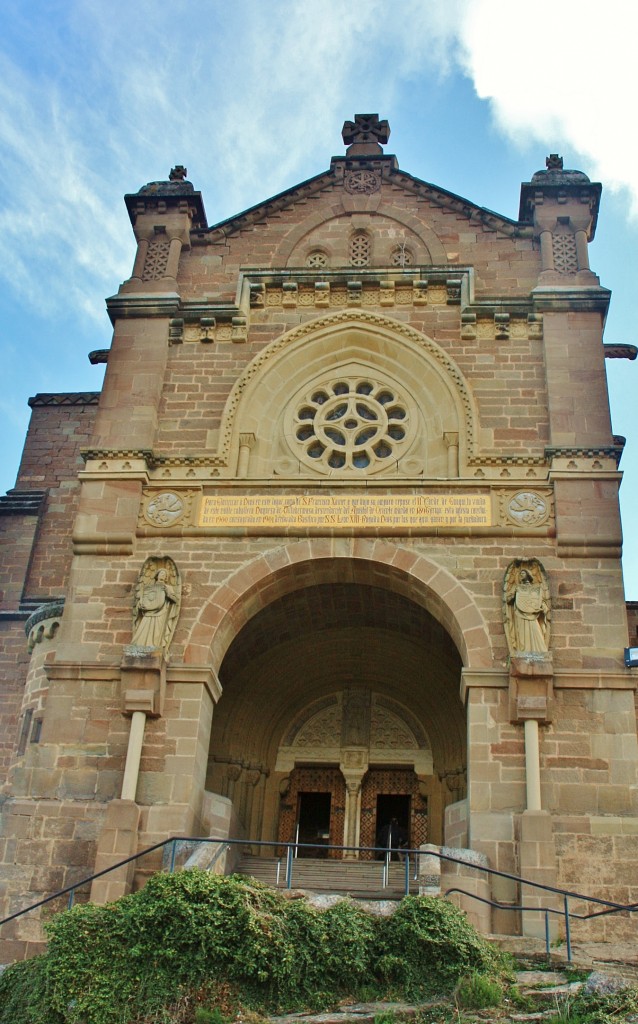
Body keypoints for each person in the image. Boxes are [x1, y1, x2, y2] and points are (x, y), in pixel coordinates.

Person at [131, 568, 177, 651]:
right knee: (144, 627)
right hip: (148, 612)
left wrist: (167, 593)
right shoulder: (149, 587)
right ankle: (139, 646)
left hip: (161, 612)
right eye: (161, 573)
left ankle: (153, 647)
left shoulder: (168, 587)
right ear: (157, 575)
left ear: (166, 577)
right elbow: (143, 598)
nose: (162, 575)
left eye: (164, 574)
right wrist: (140, 605)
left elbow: (175, 600)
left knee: (157, 631)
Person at [507, 567, 549, 653]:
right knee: (522, 634)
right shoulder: (517, 588)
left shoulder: (535, 589)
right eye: (520, 574)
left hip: (533, 613)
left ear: (528, 575)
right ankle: (523, 652)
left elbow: (540, 600)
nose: (521, 575)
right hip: (519, 613)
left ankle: (539, 651)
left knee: (536, 630)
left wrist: (544, 607)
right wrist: (514, 595)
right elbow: (508, 600)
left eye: (523, 573)